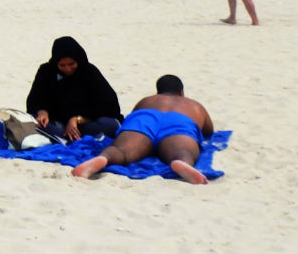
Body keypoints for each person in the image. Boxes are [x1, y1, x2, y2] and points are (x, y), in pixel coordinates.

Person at [72, 75, 214, 184]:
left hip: (145, 118)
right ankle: (182, 161)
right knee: (183, 152)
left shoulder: (147, 100)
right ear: (181, 92)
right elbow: (208, 131)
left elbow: (130, 120)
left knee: (122, 150)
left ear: (158, 91)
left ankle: (104, 158)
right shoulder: (194, 105)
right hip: (179, 121)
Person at [25, 36, 123, 140]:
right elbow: (35, 100)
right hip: (58, 123)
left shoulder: (89, 72)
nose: (67, 69)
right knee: (34, 123)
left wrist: (76, 120)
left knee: (110, 124)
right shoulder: (46, 71)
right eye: (62, 65)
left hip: (86, 123)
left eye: (71, 64)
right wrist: (42, 112)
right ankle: (66, 137)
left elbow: (110, 106)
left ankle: (67, 137)